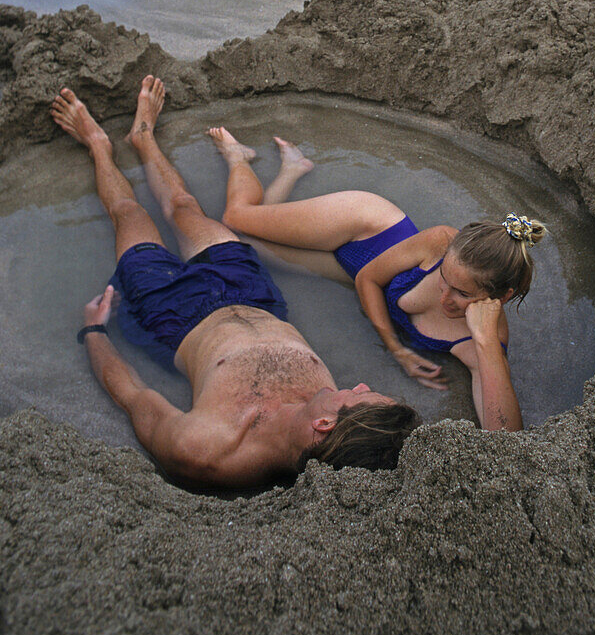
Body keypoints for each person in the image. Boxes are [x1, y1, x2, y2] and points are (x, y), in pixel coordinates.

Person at [51, 77, 421, 489]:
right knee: (184, 207)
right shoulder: (349, 437)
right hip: (252, 294)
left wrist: (93, 331)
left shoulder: (209, 449)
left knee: (129, 213)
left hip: (173, 317)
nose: (362, 383)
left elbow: (135, 397)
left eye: (359, 394)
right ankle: (143, 139)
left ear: (322, 424)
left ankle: (97, 145)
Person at [208, 127, 547, 432]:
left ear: (500, 297)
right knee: (234, 219)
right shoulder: (439, 241)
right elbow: (368, 280)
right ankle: (239, 157)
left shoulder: (484, 340)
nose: (445, 297)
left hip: (350, 271)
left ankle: (293, 169)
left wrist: (487, 344)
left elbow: (504, 437)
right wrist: (395, 348)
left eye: (461, 294)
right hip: (364, 227)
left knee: (240, 245)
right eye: (443, 278)